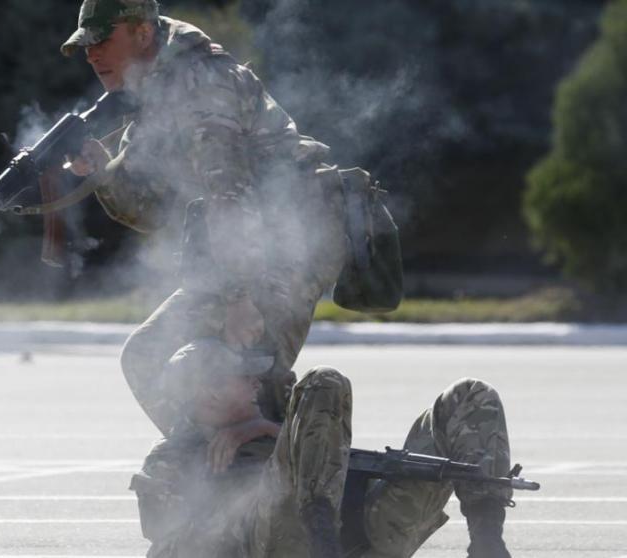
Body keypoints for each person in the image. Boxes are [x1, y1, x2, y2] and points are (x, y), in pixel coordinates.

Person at [61, 0, 349, 438]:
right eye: (86, 45)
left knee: (249, 370)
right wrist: (102, 173)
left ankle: (295, 485)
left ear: (142, 33)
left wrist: (237, 298)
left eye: (102, 39)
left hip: (295, 232)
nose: (92, 53)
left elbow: (229, 194)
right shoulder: (154, 90)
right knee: (148, 355)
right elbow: (149, 211)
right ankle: (214, 474)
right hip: (246, 241)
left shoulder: (201, 84)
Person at [132, 338, 515, 558]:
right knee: (322, 381)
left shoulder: (273, 425)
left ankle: (487, 540)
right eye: (242, 376)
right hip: (275, 547)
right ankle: (323, 541)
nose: (255, 383)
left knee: (470, 395)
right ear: (208, 391)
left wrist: (266, 429)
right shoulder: (172, 457)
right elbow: (168, 544)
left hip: (364, 532)